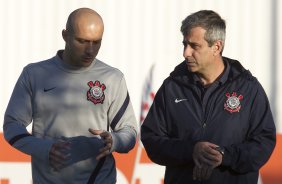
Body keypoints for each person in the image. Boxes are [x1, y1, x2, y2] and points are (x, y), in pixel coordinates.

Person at [3, 7, 138, 184]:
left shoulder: (112, 78)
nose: (90, 50)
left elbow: (130, 131)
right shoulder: (34, 74)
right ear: (65, 35)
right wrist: (45, 148)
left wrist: (115, 140)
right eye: (82, 41)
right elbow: (12, 126)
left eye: (96, 42)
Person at [141, 10, 276, 184]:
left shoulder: (248, 88)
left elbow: (263, 142)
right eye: (184, 44)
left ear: (216, 47)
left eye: (194, 46)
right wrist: (191, 151)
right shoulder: (172, 87)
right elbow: (152, 139)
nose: (186, 53)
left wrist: (224, 156)